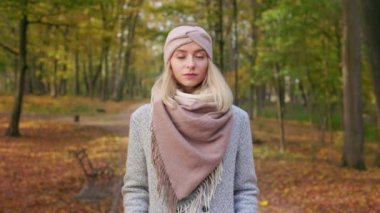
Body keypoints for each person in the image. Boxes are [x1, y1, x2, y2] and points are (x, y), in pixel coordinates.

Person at [121, 23, 259, 213]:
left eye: (200, 56)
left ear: (208, 62)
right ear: (169, 61)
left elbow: (244, 190)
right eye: (180, 56)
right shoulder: (144, 119)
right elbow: (136, 189)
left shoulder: (237, 119)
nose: (191, 64)